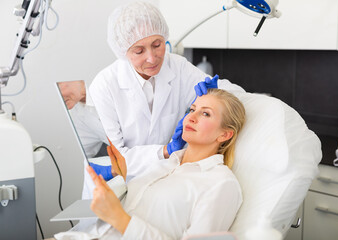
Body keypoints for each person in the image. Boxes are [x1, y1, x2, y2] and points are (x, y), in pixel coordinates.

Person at [54, 88, 246, 240]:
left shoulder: (221, 184)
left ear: (225, 134)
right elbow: (139, 208)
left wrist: (119, 219)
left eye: (206, 114)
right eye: (192, 109)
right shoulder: (167, 165)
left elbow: (125, 221)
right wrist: (118, 181)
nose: (191, 117)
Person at [88, 1, 245, 184]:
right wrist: (167, 150)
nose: (152, 58)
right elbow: (119, 156)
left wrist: (216, 88)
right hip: (125, 180)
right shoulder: (105, 85)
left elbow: (235, 98)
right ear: (123, 51)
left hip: (168, 175)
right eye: (139, 51)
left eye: (157, 44)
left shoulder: (177, 67)